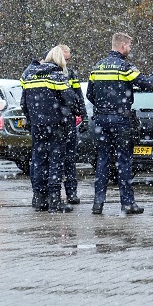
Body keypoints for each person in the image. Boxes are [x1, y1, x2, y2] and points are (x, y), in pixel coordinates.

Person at [87, 32, 153, 215]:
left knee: (103, 160)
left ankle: (98, 203)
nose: (129, 49)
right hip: (121, 120)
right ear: (122, 46)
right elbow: (147, 84)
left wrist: (105, 108)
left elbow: (90, 94)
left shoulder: (97, 67)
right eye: (129, 46)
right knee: (124, 161)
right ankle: (127, 204)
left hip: (101, 120)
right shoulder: (125, 67)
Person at [21, 46, 76, 213]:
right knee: (56, 162)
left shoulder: (28, 75)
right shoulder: (57, 76)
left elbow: (23, 104)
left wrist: (33, 120)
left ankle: (39, 198)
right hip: (56, 125)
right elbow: (70, 99)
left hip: (37, 126)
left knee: (38, 161)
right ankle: (54, 200)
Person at [59, 44, 86, 205]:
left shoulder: (71, 74)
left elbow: (79, 96)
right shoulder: (51, 74)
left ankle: (71, 193)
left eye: (68, 59)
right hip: (56, 122)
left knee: (69, 160)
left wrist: (84, 115)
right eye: (65, 59)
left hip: (68, 121)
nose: (67, 62)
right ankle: (51, 195)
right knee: (55, 160)